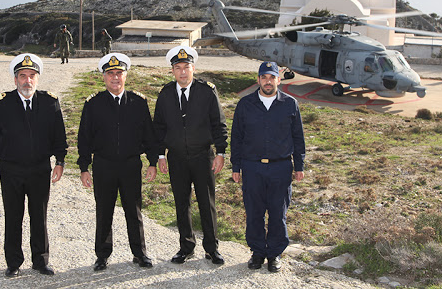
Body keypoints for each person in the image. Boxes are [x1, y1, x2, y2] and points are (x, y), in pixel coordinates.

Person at [0, 53, 68, 278]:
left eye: (31, 76)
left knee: (39, 216)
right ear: (15, 79)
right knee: (13, 216)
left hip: (40, 169)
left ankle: (40, 261)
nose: (27, 81)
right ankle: (13, 262)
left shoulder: (50, 102)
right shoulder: (2, 104)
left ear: (37, 79)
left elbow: (59, 136)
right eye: (22, 76)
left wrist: (60, 162)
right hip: (11, 170)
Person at [78, 53, 161, 271]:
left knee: (133, 211)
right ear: (104, 77)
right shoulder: (93, 104)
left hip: (130, 164)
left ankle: (140, 253)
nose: (115, 77)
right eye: (110, 73)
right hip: (103, 165)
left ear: (125, 76)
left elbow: (149, 136)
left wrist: (152, 162)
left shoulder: (138, 102)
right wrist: (84, 167)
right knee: (104, 211)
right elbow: (84, 138)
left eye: (119, 73)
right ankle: (102, 255)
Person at [153, 46, 227, 265]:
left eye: (187, 67)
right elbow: (159, 127)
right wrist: (160, 155)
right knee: (181, 203)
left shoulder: (207, 91)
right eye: (178, 68)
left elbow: (218, 123)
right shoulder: (165, 93)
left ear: (193, 68)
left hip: (203, 156)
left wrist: (221, 152)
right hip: (176, 157)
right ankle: (186, 247)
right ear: (172, 71)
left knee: (207, 203)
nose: (183, 72)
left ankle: (212, 249)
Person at [230, 61, 305, 273]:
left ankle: (274, 253)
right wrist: (236, 166)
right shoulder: (245, 104)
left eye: (272, 77)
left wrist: (299, 165)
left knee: (277, 212)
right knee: (254, 212)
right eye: (264, 77)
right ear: (258, 80)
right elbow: (237, 137)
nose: (268, 81)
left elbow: (298, 137)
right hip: (252, 167)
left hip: (280, 168)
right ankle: (257, 252)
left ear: (278, 80)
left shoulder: (290, 104)